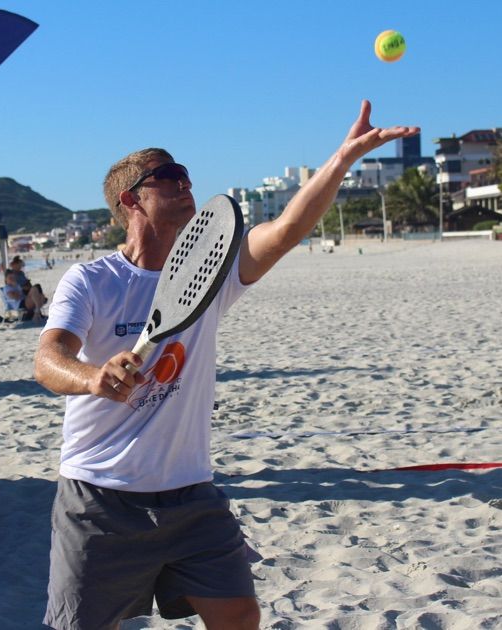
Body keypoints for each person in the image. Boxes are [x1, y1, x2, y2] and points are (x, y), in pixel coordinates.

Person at [34, 100, 419, 630]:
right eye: (168, 175)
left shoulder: (210, 274)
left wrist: (343, 159)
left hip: (190, 493)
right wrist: (93, 377)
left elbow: (286, 229)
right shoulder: (91, 280)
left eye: (186, 174)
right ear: (130, 199)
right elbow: (48, 359)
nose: (185, 183)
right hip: (101, 495)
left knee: (239, 615)